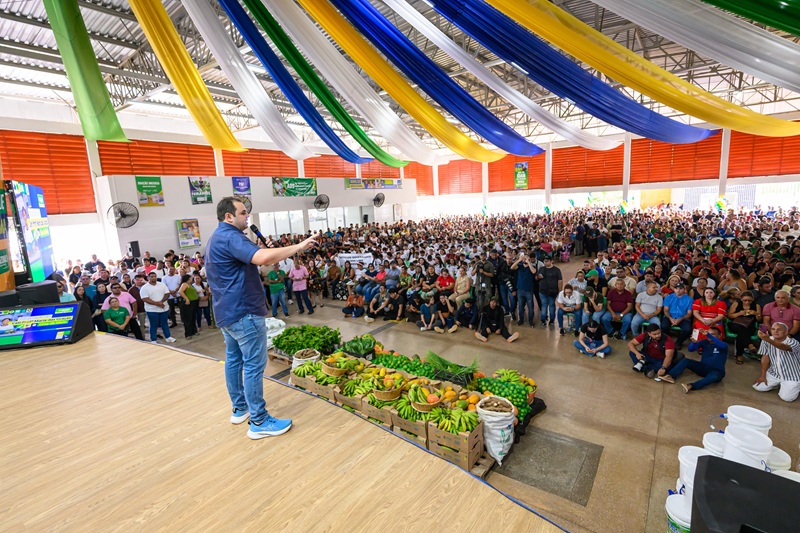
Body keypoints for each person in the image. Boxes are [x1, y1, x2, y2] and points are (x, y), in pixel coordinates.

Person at [205, 197, 317, 440]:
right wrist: (298, 246)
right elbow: (263, 259)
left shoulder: (217, 236)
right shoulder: (231, 237)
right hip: (244, 311)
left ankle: (240, 408)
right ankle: (259, 421)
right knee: (254, 366)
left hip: (227, 311)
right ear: (228, 216)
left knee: (234, 360)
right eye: (243, 213)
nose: (248, 217)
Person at [660, 325, 728, 393]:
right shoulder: (704, 342)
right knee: (686, 361)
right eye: (709, 333)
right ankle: (671, 376)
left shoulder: (724, 345)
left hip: (717, 371)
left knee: (714, 376)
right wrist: (693, 342)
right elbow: (690, 349)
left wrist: (708, 334)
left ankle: (691, 386)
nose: (709, 335)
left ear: (719, 335)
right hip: (703, 367)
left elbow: (722, 345)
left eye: (712, 334)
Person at [752, 322, 800, 402]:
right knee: (757, 387)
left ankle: (794, 385)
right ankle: (778, 385)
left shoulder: (794, 342)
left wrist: (767, 339)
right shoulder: (767, 340)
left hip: (791, 375)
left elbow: (784, 347)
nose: (775, 331)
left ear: (786, 332)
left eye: (779, 329)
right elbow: (765, 357)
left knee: (786, 398)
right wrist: (763, 375)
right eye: (773, 329)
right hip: (774, 373)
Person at [140, 271, 176, 344]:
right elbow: (145, 299)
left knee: (164, 323)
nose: (153, 278)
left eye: (155, 276)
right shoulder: (144, 287)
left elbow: (167, 294)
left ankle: (168, 337)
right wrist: (157, 303)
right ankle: (153, 339)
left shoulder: (162, 284)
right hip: (152, 310)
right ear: (148, 278)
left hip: (164, 308)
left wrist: (161, 302)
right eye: (151, 276)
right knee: (153, 325)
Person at [727, 290, 761, 364]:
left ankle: (739, 355)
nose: (747, 302)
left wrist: (756, 314)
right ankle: (749, 344)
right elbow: (729, 315)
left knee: (741, 333)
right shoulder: (736, 304)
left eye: (749, 300)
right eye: (745, 300)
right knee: (742, 329)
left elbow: (759, 319)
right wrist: (739, 313)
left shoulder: (756, 306)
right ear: (741, 299)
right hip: (736, 323)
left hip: (749, 324)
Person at [661, 283, 693, 350]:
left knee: (688, 330)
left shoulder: (689, 299)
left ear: (684, 290)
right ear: (674, 289)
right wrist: (670, 318)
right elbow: (666, 310)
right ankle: (669, 340)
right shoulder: (668, 297)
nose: (678, 290)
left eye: (681, 288)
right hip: (670, 316)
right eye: (676, 288)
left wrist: (680, 319)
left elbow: (689, 314)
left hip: (683, 317)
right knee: (664, 326)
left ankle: (679, 342)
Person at [511, 252, 538, 327]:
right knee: (520, 306)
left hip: (529, 289)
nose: (524, 259)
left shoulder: (532, 266)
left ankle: (531, 321)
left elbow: (534, 271)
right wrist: (519, 260)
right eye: (524, 257)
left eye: (526, 257)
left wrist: (528, 262)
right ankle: (521, 320)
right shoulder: (519, 266)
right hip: (520, 289)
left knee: (530, 306)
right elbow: (512, 267)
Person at [537, 255, 562, 327]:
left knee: (551, 305)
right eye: (544, 261)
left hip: (552, 291)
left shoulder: (556, 270)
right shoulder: (541, 269)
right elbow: (536, 277)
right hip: (542, 291)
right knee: (544, 305)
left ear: (551, 261)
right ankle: (543, 319)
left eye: (547, 261)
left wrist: (560, 291)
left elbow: (560, 281)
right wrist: (538, 277)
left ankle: (552, 320)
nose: (545, 262)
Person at [177, 274, 199, 338]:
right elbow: (180, 291)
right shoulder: (184, 284)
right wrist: (186, 299)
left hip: (194, 302)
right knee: (188, 318)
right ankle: (188, 334)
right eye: (191, 278)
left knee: (192, 317)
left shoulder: (190, 284)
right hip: (189, 303)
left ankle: (194, 331)